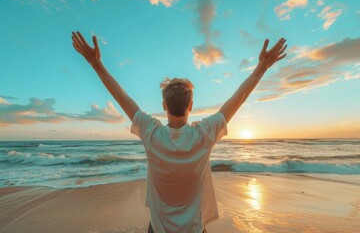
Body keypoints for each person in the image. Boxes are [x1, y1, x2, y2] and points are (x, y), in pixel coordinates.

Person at [71, 31, 287, 233]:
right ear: (190, 105)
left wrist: (95, 63)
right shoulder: (204, 134)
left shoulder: (151, 132)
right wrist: (262, 67)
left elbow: (121, 97)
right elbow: (237, 99)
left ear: (164, 106)